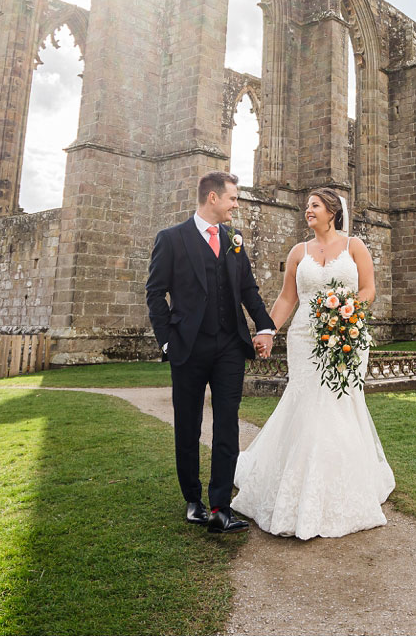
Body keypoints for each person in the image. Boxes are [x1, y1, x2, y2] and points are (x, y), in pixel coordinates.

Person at [230, 187, 395, 539]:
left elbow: (368, 290)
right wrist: (267, 331)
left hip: (347, 334)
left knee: (338, 403)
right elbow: (288, 297)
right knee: (305, 402)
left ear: (332, 212)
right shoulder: (298, 252)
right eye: (307, 206)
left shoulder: (355, 247)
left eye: (315, 206)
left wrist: (346, 314)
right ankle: (295, 485)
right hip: (305, 337)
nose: (309, 210)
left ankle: (341, 485)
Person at [146, 171, 276, 534]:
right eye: (233, 198)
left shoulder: (234, 240)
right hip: (187, 347)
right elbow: (155, 293)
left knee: (227, 423)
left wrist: (264, 327)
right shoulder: (171, 239)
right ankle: (193, 501)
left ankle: (220, 505)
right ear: (213, 198)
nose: (237, 204)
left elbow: (248, 288)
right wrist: (167, 341)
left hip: (230, 346)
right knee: (187, 425)